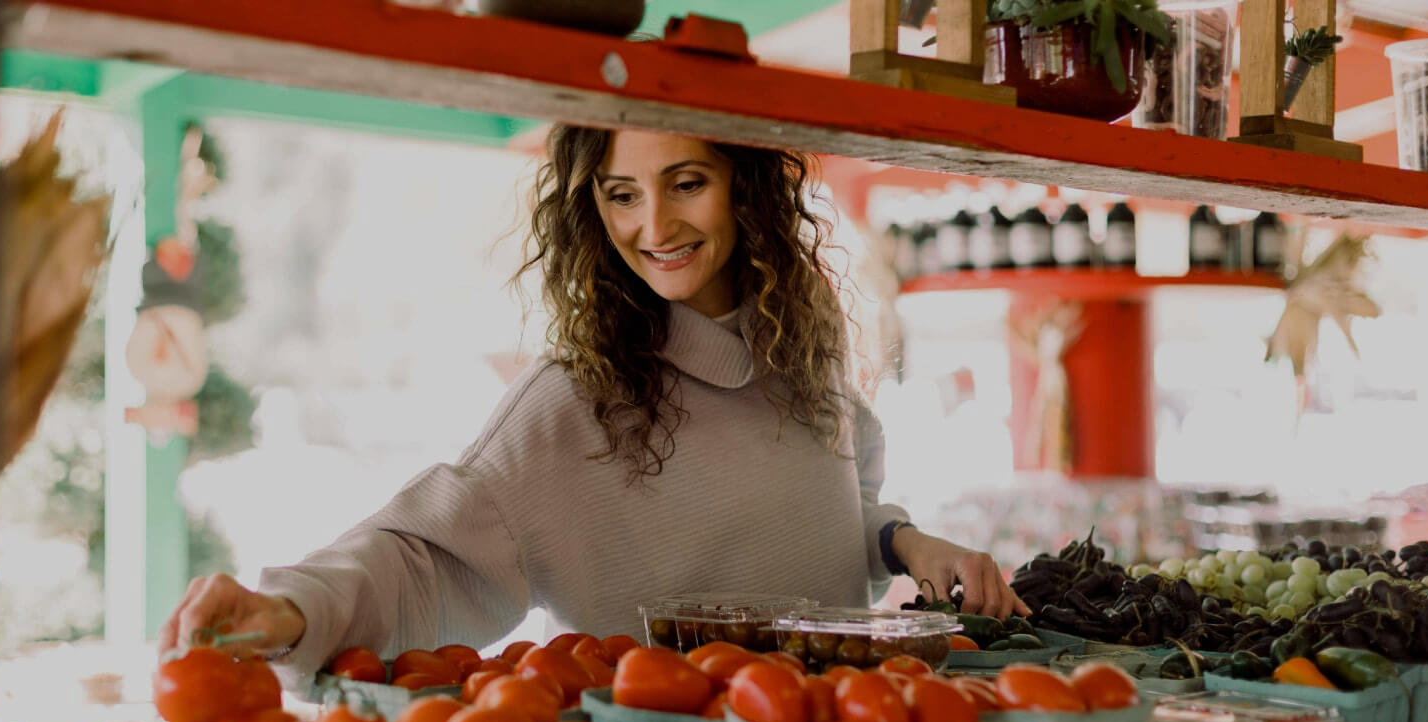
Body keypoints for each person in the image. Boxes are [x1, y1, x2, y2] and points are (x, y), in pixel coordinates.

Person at [156, 125, 1030, 679]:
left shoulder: (803, 357)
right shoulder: (573, 398)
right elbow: (423, 558)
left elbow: (827, 514)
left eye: (687, 182)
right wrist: (293, 608)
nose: (654, 226)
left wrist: (902, 540)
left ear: (748, 186)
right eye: (620, 194)